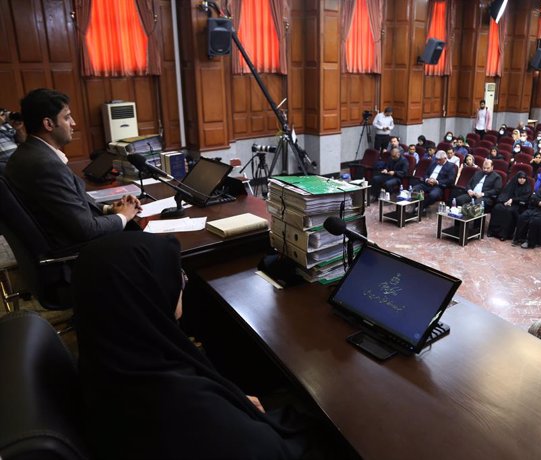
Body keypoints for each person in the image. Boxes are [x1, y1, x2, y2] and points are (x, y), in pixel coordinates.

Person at [72, 232, 332, 460]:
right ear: (148, 294)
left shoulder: (110, 355)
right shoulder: (186, 411)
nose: (183, 283)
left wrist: (231, 402)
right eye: (177, 276)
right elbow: (269, 450)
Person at [5, 88, 140, 252]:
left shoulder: (26, 154)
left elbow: (62, 209)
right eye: (67, 117)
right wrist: (123, 216)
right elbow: (86, 230)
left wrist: (109, 209)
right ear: (48, 124)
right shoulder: (45, 165)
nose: (73, 123)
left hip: (62, 240)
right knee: (160, 245)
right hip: (80, 254)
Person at [487, 171, 532, 241]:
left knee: (508, 211)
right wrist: (504, 201)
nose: (522, 180)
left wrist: (513, 200)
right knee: (497, 207)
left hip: (518, 205)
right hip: (506, 202)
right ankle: (492, 232)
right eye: (520, 178)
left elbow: (525, 198)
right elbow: (505, 193)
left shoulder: (527, 187)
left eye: (524, 178)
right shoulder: (512, 184)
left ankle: (504, 234)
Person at [0, 108, 19, 174]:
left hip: (18, 159)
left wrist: (17, 128)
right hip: (4, 164)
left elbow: (21, 140)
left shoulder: (6, 127)